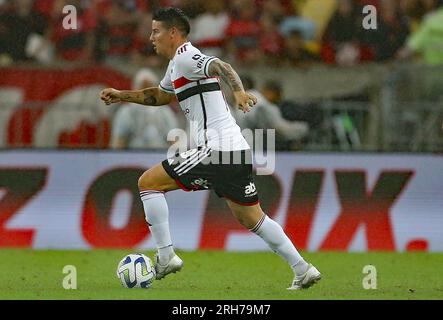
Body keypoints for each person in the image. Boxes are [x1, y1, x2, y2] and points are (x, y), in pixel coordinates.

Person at [100, 7, 321, 290]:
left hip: (216, 150)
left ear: (173, 33)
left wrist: (238, 91)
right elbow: (159, 96)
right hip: (237, 152)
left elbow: (221, 65)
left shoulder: (186, 57)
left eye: (155, 31)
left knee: (148, 183)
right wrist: (122, 96)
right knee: (251, 216)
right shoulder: (175, 66)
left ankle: (166, 257)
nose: (151, 37)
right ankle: (303, 269)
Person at [110, 68, 180, 149]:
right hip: (133, 157)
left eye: (149, 88)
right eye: (143, 87)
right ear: (135, 88)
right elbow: (119, 141)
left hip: (160, 156)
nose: (146, 93)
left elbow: (175, 141)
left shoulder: (165, 112)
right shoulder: (126, 112)